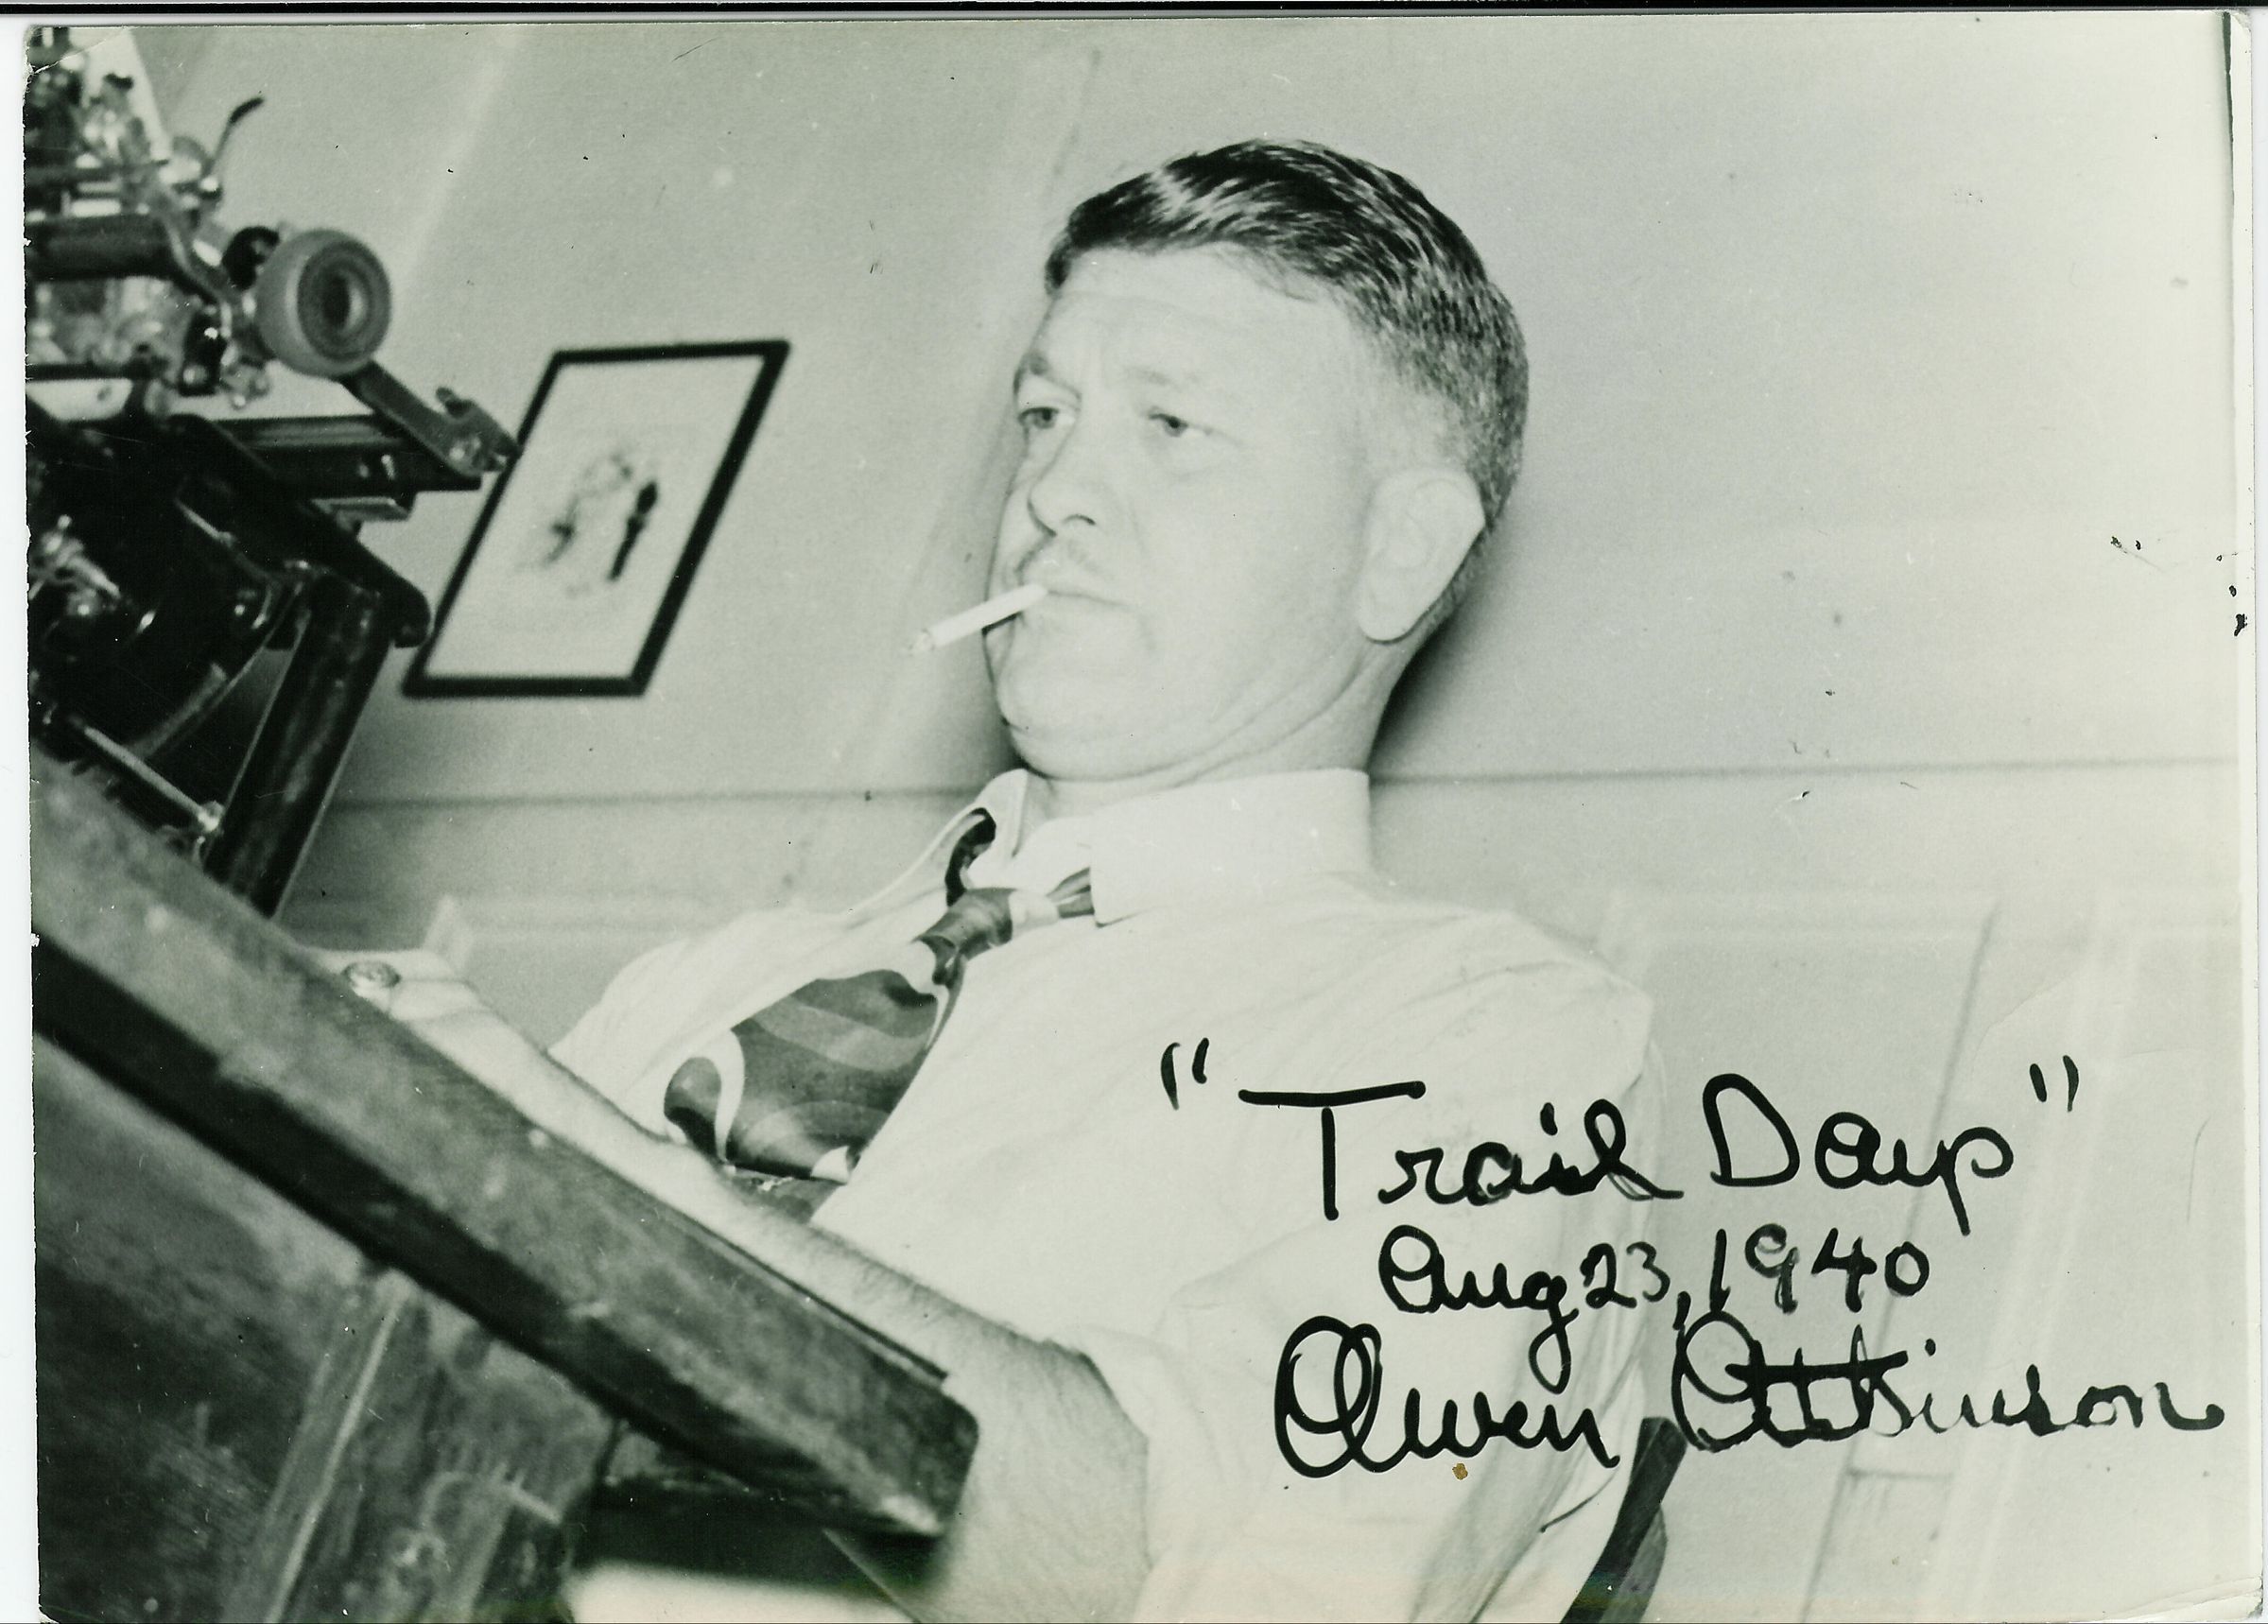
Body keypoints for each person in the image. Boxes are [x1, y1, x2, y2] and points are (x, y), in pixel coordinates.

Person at [397, 140, 1667, 1622]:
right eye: (1045, 417)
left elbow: (1236, 1590)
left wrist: (588, 1178)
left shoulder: (1504, 1054)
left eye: (1172, 425)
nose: (1056, 489)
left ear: (1400, 549)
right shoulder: (714, 978)